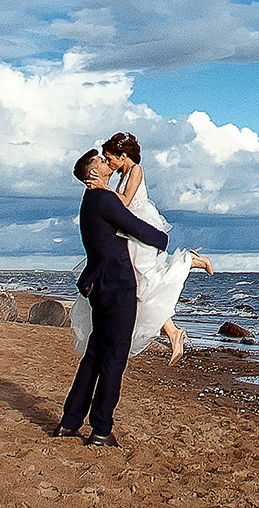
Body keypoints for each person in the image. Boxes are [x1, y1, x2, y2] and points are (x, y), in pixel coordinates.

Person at [54, 147, 169, 445]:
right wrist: (163, 239)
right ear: (92, 172)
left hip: (100, 285)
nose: (107, 163)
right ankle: (102, 429)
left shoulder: (90, 200)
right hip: (117, 285)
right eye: (101, 161)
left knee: (94, 354)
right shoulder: (103, 199)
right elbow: (137, 228)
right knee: (114, 357)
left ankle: (70, 421)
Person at [99, 132, 214, 362]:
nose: (107, 161)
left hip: (140, 230)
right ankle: (173, 333)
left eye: (109, 157)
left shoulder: (136, 170)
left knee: (145, 286)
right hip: (129, 232)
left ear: (123, 155)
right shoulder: (123, 173)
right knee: (143, 289)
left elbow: (124, 202)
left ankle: (188, 261)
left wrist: (101, 189)